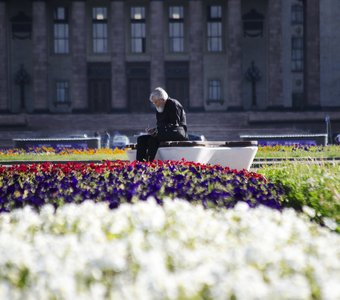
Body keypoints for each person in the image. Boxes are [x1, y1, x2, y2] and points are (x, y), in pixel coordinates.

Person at [137, 87, 188, 161]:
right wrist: (154, 130)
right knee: (141, 139)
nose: (155, 104)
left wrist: (158, 131)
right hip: (164, 132)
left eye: (156, 102)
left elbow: (174, 124)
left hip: (178, 132)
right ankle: (139, 163)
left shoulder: (173, 104)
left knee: (153, 140)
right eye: (153, 103)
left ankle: (148, 162)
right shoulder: (160, 107)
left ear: (162, 99)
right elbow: (160, 125)